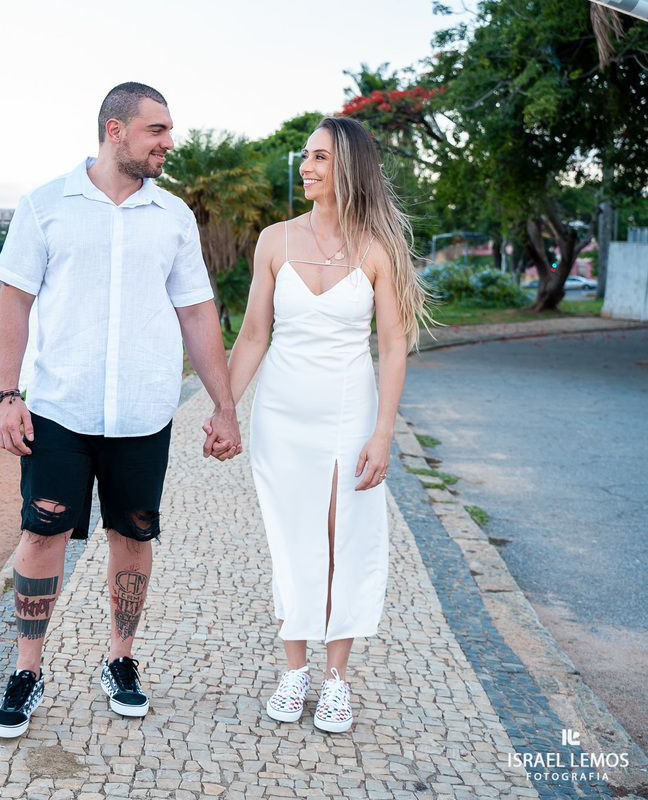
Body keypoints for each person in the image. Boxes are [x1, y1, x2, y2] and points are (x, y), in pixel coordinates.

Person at [0, 82, 242, 739]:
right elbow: (14, 301)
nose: (169, 141)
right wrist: (7, 394)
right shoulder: (46, 206)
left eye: (169, 129)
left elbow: (196, 312)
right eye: (157, 129)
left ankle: (120, 660)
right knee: (42, 535)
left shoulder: (173, 217)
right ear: (115, 129)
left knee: (133, 537)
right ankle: (27, 671)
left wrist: (224, 406)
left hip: (142, 415)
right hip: (59, 412)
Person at [223, 116, 430, 733]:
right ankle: (295, 671)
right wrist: (225, 410)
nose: (306, 168)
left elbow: (392, 345)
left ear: (349, 168)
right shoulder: (274, 241)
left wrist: (383, 432)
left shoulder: (376, 248)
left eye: (318, 158)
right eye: (306, 157)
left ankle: (336, 679)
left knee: (346, 539)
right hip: (281, 415)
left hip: (350, 412)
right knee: (292, 539)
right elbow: (254, 333)